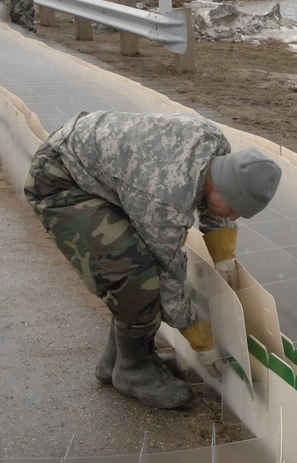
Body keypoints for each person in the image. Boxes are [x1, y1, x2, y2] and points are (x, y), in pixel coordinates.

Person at [24, 111, 282, 409]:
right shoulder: (165, 198)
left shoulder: (216, 148)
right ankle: (132, 371)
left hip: (100, 166)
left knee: (135, 259)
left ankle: (118, 360)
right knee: (137, 271)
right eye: (235, 208)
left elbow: (211, 197)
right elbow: (167, 277)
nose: (234, 217)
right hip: (61, 180)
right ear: (223, 187)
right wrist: (203, 341)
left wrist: (224, 255)